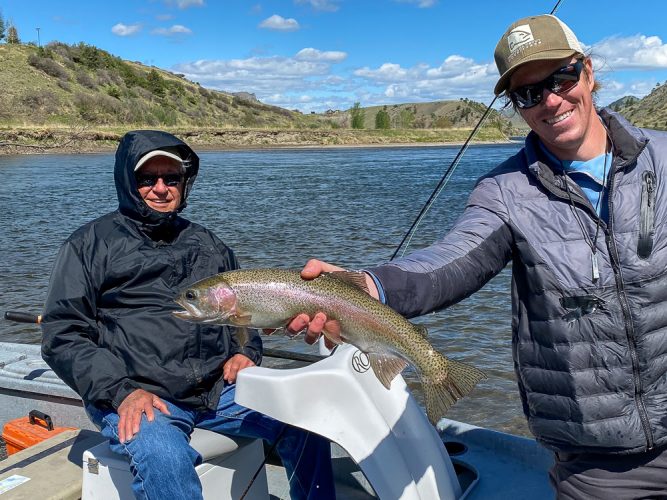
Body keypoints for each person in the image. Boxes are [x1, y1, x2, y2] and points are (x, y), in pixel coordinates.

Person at [288, 14, 667, 499]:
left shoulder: (661, 157)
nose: (550, 100)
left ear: (588, 72)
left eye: (561, 78)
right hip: (598, 458)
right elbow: (450, 263)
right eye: (528, 94)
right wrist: (367, 288)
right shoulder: (505, 192)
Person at [41, 130, 334, 500]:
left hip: (216, 393)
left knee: (307, 421)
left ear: (184, 183)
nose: (161, 188)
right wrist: (120, 392)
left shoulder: (211, 245)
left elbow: (244, 314)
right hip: (138, 397)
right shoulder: (88, 245)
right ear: (129, 182)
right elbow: (62, 336)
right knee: (164, 454)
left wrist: (246, 352)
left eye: (171, 178)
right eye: (148, 179)